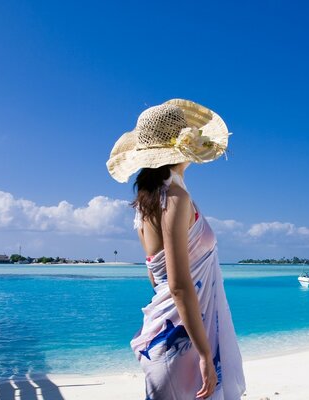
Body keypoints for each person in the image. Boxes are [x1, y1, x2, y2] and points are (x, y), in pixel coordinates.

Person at [106, 99, 246, 399]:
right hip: (184, 345)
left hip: (165, 334)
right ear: (184, 146)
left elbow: (156, 279)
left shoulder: (147, 203)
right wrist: (205, 354)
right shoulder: (175, 197)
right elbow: (179, 286)